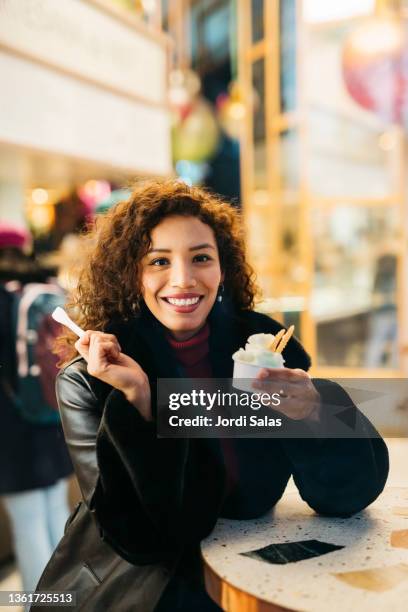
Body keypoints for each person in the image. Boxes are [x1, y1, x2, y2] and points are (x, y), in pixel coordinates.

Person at [32, 181, 389, 612]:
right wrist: (142, 401)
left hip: (254, 573)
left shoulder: (266, 353)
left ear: (223, 270)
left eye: (201, 257)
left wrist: (313, 411)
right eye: (159, 261)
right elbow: (145, 536)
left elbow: (347, 497)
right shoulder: (92, 379)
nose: (183, 279)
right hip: (139, 590)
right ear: (131, 274)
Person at [0, 224, 73, 594]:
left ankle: (40, 605)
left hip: (11, 429)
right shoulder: (46, 285)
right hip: (53, 417)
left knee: (27, 523)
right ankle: (69, 598)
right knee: (56, 513)